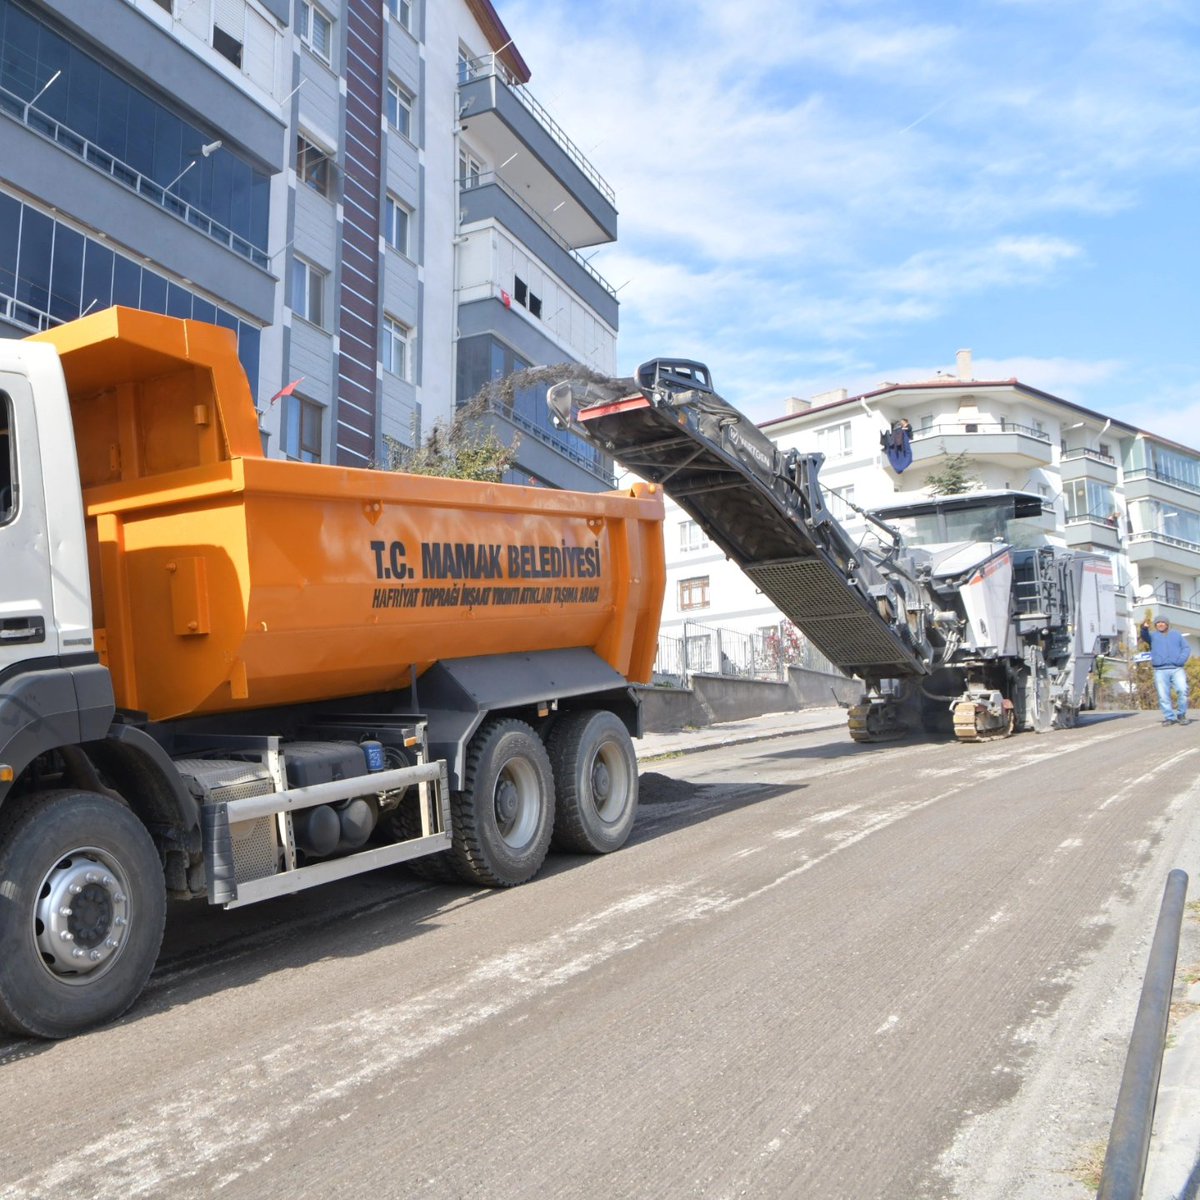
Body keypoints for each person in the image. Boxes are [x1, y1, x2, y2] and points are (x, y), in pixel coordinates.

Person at [1139, 615, 1192, 725]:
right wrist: (1144, 628)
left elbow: (1186, 648)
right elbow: (1144, 636)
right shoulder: (1153, 636)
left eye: (1162, 622)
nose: (1160, 624)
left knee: (1182, 690)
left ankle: (1181, 714)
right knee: (1163, 695)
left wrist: (1180, 660)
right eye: (1158, 623)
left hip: (1177, 668)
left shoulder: (1176, 634)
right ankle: (1169, 717)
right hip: (1160, 670)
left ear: (1167, 624)